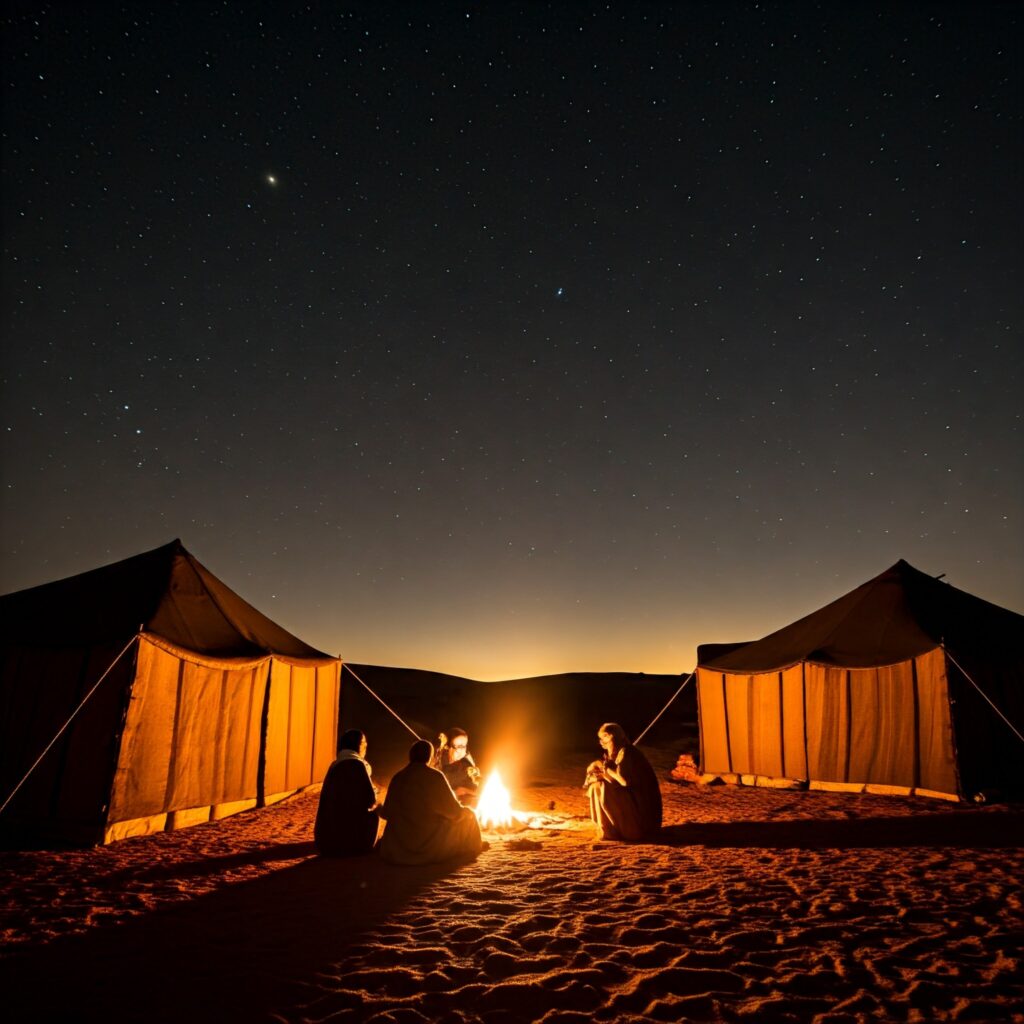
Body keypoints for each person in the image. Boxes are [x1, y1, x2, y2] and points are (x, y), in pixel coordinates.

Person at [379, 739, 483, 865]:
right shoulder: (435, 776)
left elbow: (386, 813)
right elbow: (453, 812)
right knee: (469, 815)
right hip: (426, 846)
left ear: (410, 756)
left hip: (398, 848)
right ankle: (474, 847)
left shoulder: (398, 777)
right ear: (429, 757)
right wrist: (465, 811)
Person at [585, 722, 662, 841]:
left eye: (603, 738)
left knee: (602, 786)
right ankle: (608, 829)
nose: (601, 742)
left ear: (610, 736)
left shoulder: (626, 753)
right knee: (596, 785)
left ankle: (622, 831)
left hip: (641, 810)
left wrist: (608, 771)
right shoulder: (620, 752)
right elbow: (615, 780)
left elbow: (625, 781)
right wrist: (600, 774)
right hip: (633, 798)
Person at [313, 729, 380, 857]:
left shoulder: (335, 765)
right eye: (364, 743)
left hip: (326, 842)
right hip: (350, 843)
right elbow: (370, 799)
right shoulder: (358, 765)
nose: (366, 747)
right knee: (375, 812)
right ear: (358, 745)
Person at [433, 726, 482, 806]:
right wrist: (453, 793)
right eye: (458, 747)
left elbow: (479, 790)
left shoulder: (468, 766)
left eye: (464, 746)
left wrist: (464, 790)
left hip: (459, 806)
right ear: (447, 747)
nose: (462, 751)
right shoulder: (437, 760)